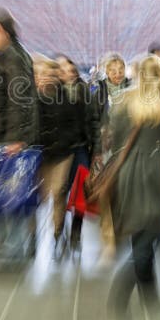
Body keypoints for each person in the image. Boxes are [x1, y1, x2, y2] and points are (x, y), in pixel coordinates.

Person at [106, 55, 160, 317]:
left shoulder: (121, 103)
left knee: (139, 237)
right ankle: (122, 289)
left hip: (127, 175)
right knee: (151, 237)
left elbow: (115, 143)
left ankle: (150, 295)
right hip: (154, 175)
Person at [0, 7, 39, 260]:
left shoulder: (13, 57)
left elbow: (20, 100)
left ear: (0, 29)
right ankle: (9, 247)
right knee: (3, 194)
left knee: (11, 196)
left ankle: (14, 250)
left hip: (9, 138)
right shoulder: (7, 55)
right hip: (3, 135)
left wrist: (16, 138)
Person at [35, 57, 78, 258]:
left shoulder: (67, 97)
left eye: (49, 74)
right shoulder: (31, 98)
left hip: (62, 152)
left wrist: (65, 141)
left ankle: (57, 231)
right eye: (42, 74)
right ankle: (34, 234)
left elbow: (74, 125)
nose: (45, 78)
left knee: (59, 191)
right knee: (42, 195)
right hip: (41, 154)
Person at [89, 52, 130, 263]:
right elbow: (94, 121)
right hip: (105, 150)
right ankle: (108, 238)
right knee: (105, 191)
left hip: (126, 149)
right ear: (106, 72)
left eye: (120, 69)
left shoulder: (132, 89)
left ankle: (120, 229)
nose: (117, 74)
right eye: (112, 70)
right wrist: (96, 150)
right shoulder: (99, 91)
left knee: (123, 191)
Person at [56, 54, 92, 250]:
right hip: (60, 150)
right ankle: (59, 227)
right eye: (62, 70)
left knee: (81, 190)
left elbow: (91, 119)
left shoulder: (83, 91)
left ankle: (76, 231)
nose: (68, 73)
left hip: (80, 146)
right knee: (61, 190)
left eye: (71, 70)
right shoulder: (54, 93)